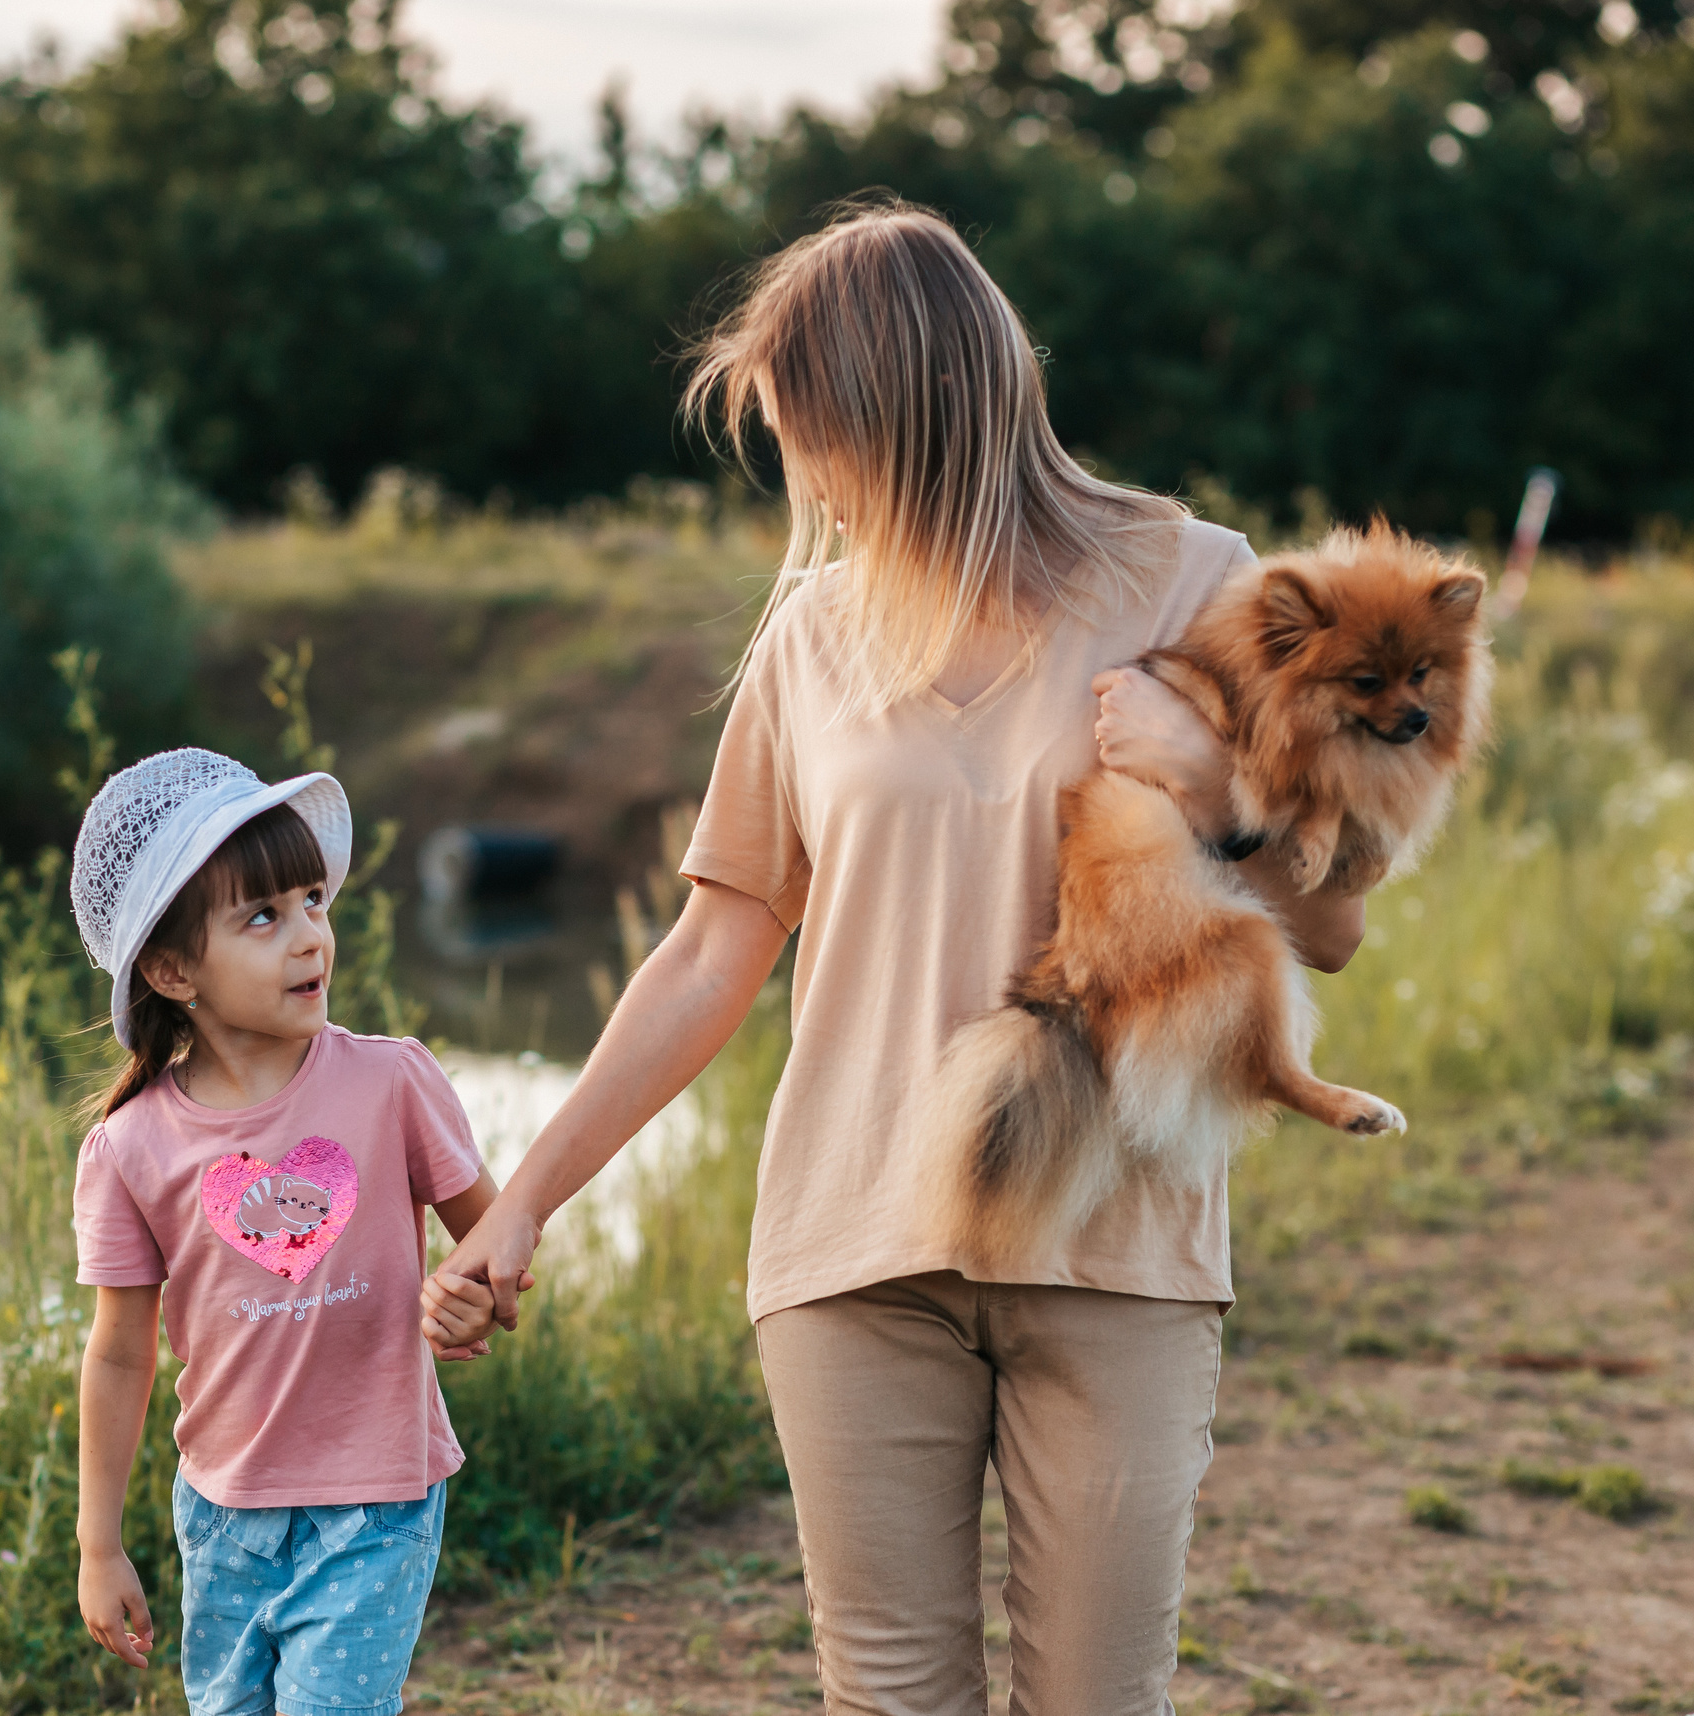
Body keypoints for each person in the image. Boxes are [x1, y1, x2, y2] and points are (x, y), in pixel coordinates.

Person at [425, 201, 1369, 1713]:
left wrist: (1214, 786)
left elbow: (1334, 921)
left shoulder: (1199, 581)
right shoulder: (811, 639)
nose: (802, 478)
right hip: (851, 1247)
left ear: (902, 412)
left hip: (1116, 1241)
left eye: (811, 434)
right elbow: (712, 948)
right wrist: (523, 1198)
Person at [68, 748, 516, 1716]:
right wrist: (97, 1543)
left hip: (374, 1503)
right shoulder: (131, 1149)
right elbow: (117, 1355)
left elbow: (498, 1239)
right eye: (263, 916)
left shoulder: (391, 1081)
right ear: (172, 967)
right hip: (222, 1515)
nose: (311, 936)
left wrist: (472, 1292)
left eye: (314, 900)